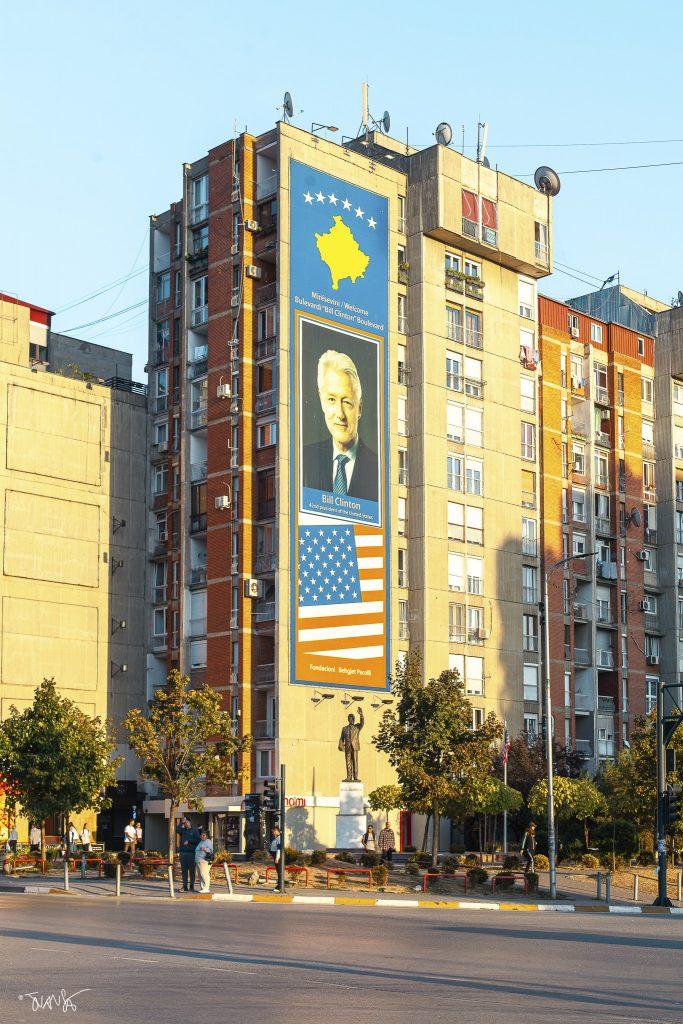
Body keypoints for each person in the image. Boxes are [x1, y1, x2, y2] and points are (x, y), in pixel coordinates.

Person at [303, 349, 378, 502]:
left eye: (347, 402)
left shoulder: (378, 468)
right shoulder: (304, 459)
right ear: (322, 400)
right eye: (331, 399)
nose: (340, 414)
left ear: (359, 408)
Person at [176, 817, 201, 892]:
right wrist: (181, 822)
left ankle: (191, 886)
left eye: (187, 822)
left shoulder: (194, 830)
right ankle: (185, 886)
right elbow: (177, 830)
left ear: (190, 822)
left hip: (191, 853)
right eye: (184, 822)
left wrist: (189, 841)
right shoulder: (183, 830)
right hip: (183, 852)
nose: (185, 823)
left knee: (192, 870)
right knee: (184, 870)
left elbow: (198, 840)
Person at [194, 829, 214, 894]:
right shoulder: (201, 842)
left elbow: (210, 850)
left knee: (204, 874)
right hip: (199, 860)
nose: (202, 836)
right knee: (200, 875)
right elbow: (197, 850)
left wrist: (204, 849)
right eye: (201, 835)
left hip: (204, 860)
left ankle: (206, 888)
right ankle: (203, 887)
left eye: (203, 835)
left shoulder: (208, 841)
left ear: (207, 836)